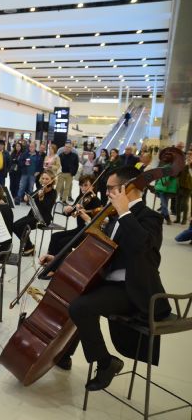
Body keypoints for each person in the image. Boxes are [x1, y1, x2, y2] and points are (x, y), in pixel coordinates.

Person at [43, 166, 171, 391]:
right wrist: (59, 261)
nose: (107, 193)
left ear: (127, 187)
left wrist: (124, 213)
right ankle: (65, 354)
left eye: (111, 188)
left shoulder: (150, 217)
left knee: (81, 307)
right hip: (110, 284)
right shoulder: (113, 216)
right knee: (77, 296)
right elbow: (99, 257)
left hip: (134, 290)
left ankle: (105, 362)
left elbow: (142, 249)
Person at [45, 175, 102, 257]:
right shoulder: (81, 197)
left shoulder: (96, 202)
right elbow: (71, 213)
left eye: (86, 185)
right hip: (78, 229)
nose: (82, 188)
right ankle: (49, 259)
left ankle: (55, 263)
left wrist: (83, 214)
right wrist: (66, 210)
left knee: (62, 242)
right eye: (81, 185)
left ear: (92, 186)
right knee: (55, 236)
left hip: (86, 233)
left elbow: (95, 224)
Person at [13, 170, 57, 256]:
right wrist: (26, 198)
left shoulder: (53, 193)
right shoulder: (40, 189)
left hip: (43, 219)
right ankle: (29, 246)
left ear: (52, 180)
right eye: (43, 178)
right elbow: (30, 197)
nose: (44, 181)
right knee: (15, 226)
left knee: (21, 226)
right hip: (32, 215)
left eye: (47, 179)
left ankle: (28, 247)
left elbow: (46, 207)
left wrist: (41, 198)